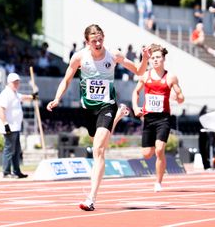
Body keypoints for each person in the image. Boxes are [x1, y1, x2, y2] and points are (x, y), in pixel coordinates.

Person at [46, 24, 150, 211]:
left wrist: (144, 59)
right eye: (94, 40)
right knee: (95, 142)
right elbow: (67, 79)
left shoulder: (113, 54)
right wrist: (57, 98)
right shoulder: (79, 57)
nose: (98, 43)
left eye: (100, 38)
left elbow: (139, 71)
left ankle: (91, 198)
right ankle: (117, 118)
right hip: (88, 109)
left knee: (98, 151)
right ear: (87, 42)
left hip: (106, 106)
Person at [132, 44, 184, 192]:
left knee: (159, 150)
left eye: (158, 57)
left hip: (164, 119)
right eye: (153, 58)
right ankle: (155, 148)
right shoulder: (145, 76)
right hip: (148, 119)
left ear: (163, 59)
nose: (155, 60)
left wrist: (177, 97)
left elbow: (181, 97)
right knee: (147, 154)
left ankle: (158, 182)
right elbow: (136, 92)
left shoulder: (170, 77)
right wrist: (135, 107)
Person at [0, 72, 39, 178]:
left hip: (15, 126)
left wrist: (32, 96)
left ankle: (16, 171)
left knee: (16, 150)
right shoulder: (5, 94)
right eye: (14, 82)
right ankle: (6, 172)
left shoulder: (14, 93)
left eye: (18, 82)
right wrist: (5, 124)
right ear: (9, 83)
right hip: (9, 127)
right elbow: (0, 109)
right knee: (9, 149)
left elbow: (23, 97)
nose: (17, 84)